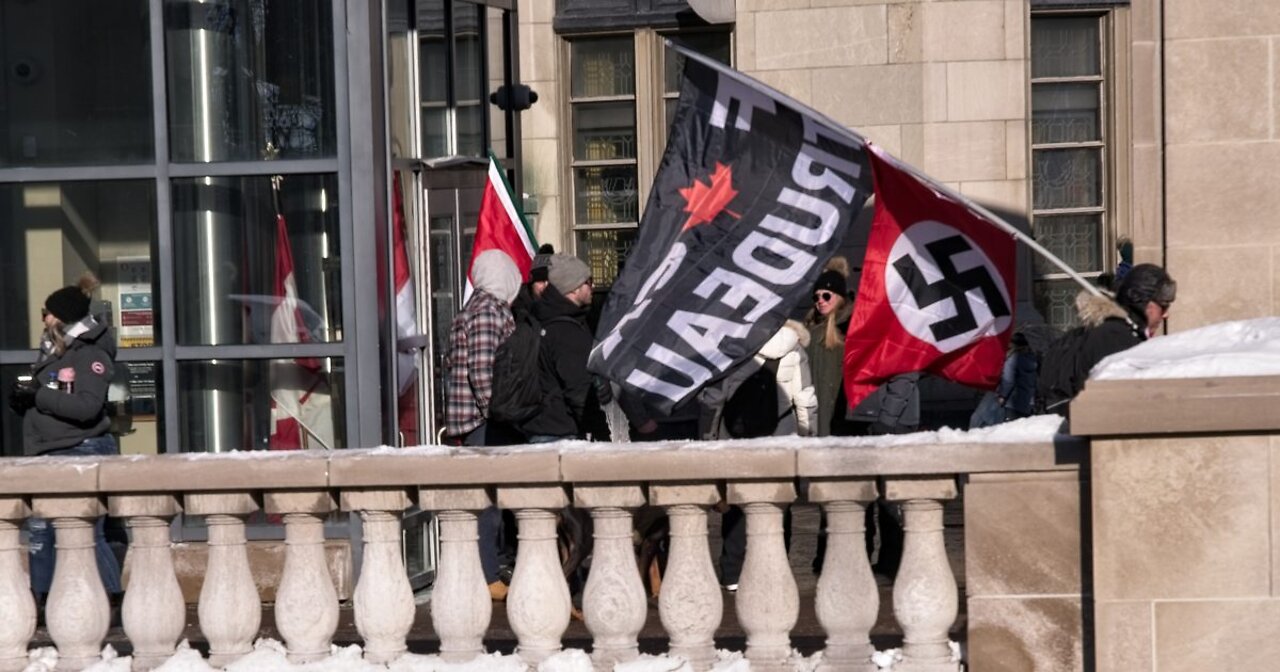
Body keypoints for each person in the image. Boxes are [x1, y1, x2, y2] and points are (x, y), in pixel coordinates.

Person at [10, 274, 123, 601]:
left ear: (60, 316)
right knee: (41, 533)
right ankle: (43, 600)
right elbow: (51, 397)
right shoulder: (54, 350)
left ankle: (112, 601)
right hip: (48, 451)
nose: (43, 318)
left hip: (81, 450)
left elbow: (87, 407)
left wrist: (38, 396)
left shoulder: (89, 353)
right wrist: (24, 401)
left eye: (46, 311)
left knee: (86, 532)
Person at [709, 319, 817, 591]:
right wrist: (807, 438)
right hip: (781, 433)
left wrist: (710, 437)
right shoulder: (794, 346)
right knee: (780, 502)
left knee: (736, 503)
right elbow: (805, 397)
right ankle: (776, 566)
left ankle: (733, 573)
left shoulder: (732, 345)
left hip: (736, 434)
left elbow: (715, 398)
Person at [443, 248, 521, 600]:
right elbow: (483, 370)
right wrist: (499, 412)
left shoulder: (474, 309)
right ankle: (489, 576)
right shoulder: (488, 312)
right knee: (488, 504)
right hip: (483, 421)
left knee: (488, 500)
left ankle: (492, 569)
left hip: (474, 419)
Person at [1037, 263, 1176, 417]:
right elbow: (1114, 406)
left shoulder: (1122, 333)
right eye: (1163, 306)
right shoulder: (1113, 337)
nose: (1166, 315)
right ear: (1141, 302)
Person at [519, 253, 603, 443]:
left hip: (540, 427)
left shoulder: (541, 318)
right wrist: (599, 427)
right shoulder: (566, 331)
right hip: (561, 433)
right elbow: (579, 390)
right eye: (588, 282)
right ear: (573, 288)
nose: (593, 287)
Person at [803, 257, 853, 437]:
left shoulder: (850, 326)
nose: (820, 301)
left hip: (837, 414)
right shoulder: (809, 327)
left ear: (840, 297)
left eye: (826, 295)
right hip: (812, 409)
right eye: (817, 296)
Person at [970, 331, 1039, 428]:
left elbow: (1008, 380)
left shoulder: (1012, 359)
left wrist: (1002, 396)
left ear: (1013, 345)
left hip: (1013, 402)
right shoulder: (1032, 359)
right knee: (1021, 429)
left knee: (1007, 428)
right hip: (1028, 403)